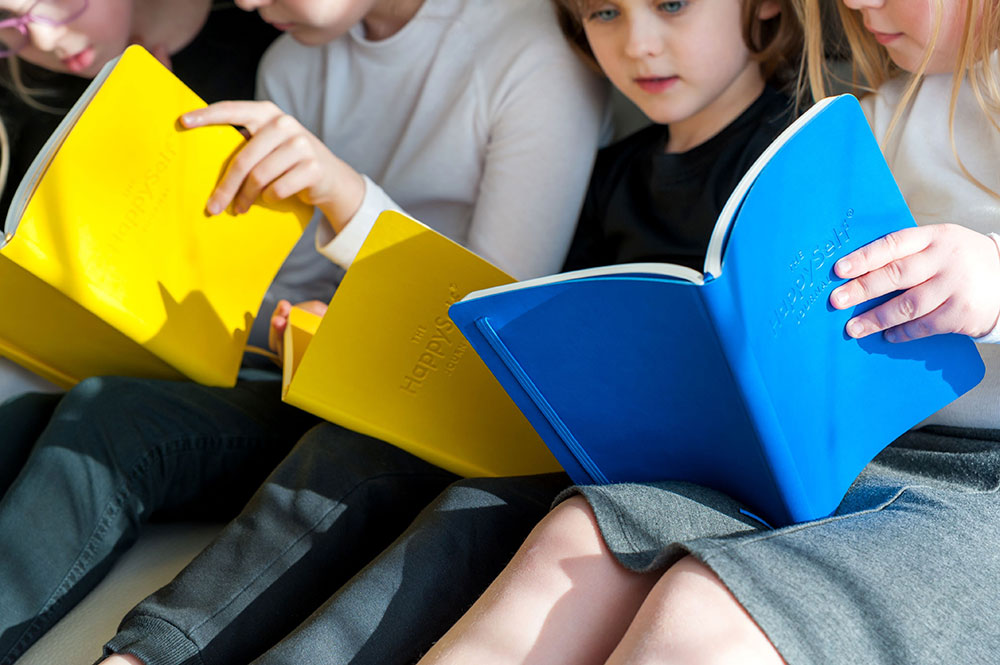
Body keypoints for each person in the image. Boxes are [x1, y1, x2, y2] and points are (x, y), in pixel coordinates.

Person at [94, 1, 803, 665]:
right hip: (563, 431)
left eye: (673, 4)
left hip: (689, 471)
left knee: (472, 511)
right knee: (357, 446)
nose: (638, 43)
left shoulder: (795, 146)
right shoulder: (618, 171)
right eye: (604, 12)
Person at [0, 0, 608, 662]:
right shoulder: (291, 60)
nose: (246, 3)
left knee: (319, 449)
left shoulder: (532, 55)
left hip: (433, 403)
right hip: (308, 373)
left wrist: (346, 197)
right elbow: (280, 294)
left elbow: (495, 322)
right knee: (76, 409)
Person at [412, 0, 1000, 664]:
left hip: (974, 480)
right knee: (574, 543)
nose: (859, 3)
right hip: (831, 452)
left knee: (701, 608)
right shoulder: (873, 113)